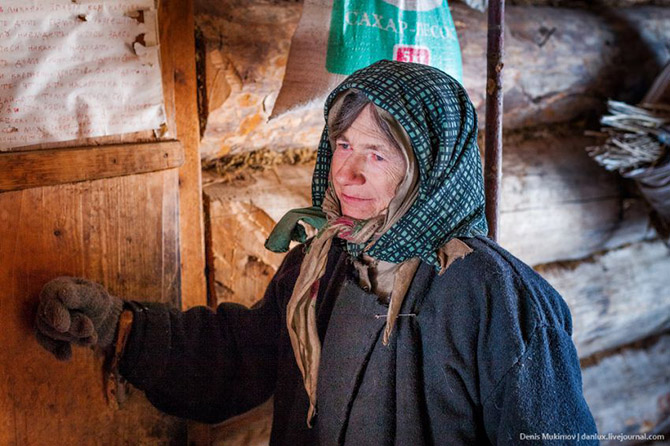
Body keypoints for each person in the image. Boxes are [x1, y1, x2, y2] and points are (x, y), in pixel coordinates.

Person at [34, 60, 599, 445]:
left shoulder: (497, 297)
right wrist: (120, 327)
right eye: (343, 145)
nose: (347, 174)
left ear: (432, 166)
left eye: (378, 155)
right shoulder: (323, 262)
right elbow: (240, 359)